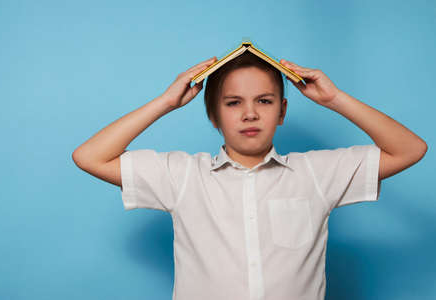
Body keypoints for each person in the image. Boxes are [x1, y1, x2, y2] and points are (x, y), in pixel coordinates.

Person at [72, 51, 427, 300]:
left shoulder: (317, 173)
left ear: (282, 110)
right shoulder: (182, 176)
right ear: (213, 115)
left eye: (265, 101)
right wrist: (166, 102)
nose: (250, 114)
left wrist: (334, 99)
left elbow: (410, 149)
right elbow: (89, 157)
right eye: (233, 103)